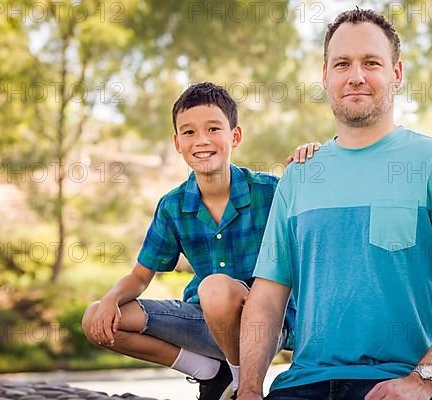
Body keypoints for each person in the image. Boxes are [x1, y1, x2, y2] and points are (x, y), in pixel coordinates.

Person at [239, 8, 432, 400]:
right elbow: (266, 298)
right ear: (325, 76)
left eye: (371, 63)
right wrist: (247, 390)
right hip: (302, 385)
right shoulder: (300, 175)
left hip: (402, 384)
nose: (356, 76)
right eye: (342, 63)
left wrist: (423, 380)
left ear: (396, 74)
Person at [81, 82, 320, 400]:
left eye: (213, 128)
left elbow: (320, 231)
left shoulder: (270, 192)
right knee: (96, 317)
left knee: (215, 288)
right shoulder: (174, 205)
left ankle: (241, 381)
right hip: (204, 320)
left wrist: (319, 158)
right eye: (189, 132)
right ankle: (211, 372)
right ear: (177, 142)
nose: (202, 140)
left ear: (235, 136)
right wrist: (111, 299)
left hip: (264, 327)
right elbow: (141, 276)